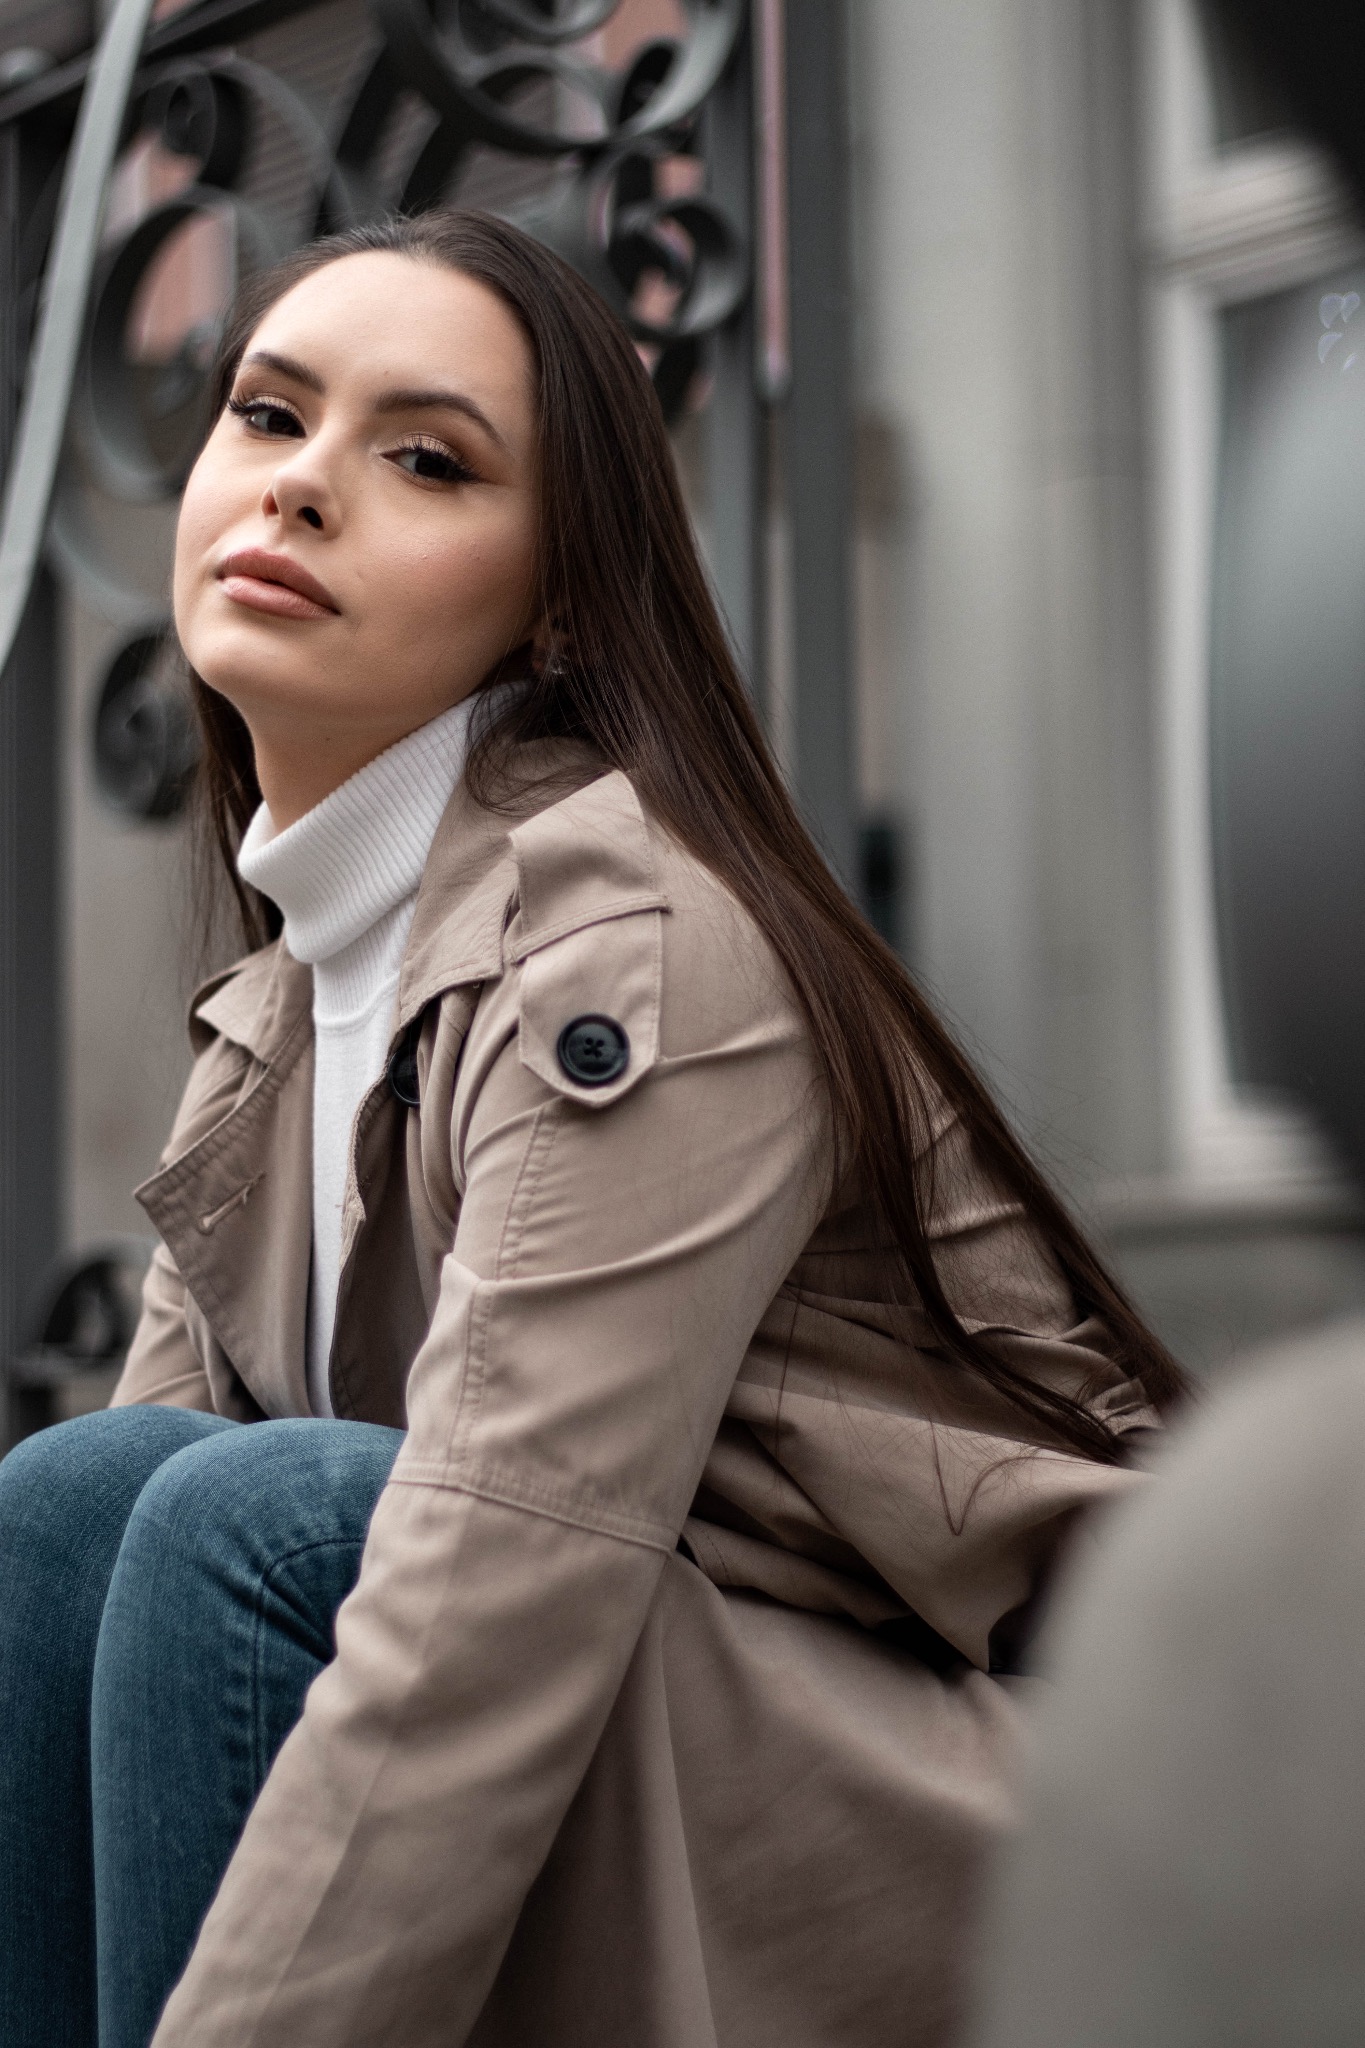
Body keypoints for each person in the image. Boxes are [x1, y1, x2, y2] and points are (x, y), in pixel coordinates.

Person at [0, 209, 1183, 2048]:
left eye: (423, 458)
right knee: (70, 1509)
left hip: (919, 1833)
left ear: (558, 596)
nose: (303, 488)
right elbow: (107, 1576)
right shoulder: (288, 1008)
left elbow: (493, 1586)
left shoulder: (630, 958)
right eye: (264, 414)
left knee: (265, 1523)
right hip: (647, 1741)